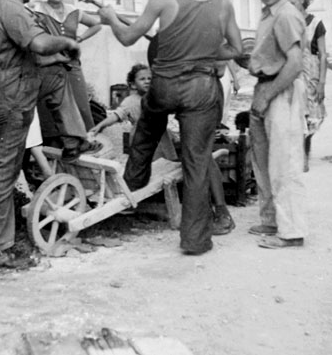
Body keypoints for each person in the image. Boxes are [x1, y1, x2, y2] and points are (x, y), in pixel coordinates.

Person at [97, 0, 242, 254]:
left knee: (146, 130)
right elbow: (236, 48)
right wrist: (208, 52)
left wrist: (109, 18)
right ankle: (195, 241)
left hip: (164, 85)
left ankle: (131, 190)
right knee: (196, 162)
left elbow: (127, 37)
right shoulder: (223, 3)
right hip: (202, 89)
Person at [0, 0, 79, 268]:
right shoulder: (9, 5)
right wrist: (67, 46)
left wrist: (49, 59)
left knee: (4, 169)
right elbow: (40, 44)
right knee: (2, 172)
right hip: (9, 99)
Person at [91, 63, 235, 235]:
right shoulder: (135, 101)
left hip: (174, 131)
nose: (147, 82)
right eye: (142, 79)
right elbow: (117, 115)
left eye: (149, 79)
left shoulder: (171, 88)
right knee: (195, 161)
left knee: (200, 160)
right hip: (153, 147)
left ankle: (217, 212)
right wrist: (98, 126)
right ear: (132, 84)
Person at [248, 0, 308, 249]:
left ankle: (292, 232)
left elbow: (295, 64)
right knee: (262, 162)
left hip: (279, 92)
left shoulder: (286, 14)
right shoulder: (267, 15)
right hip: (265, 88)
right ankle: (271, 221)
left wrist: (267, 94)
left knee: (284, 163)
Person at [34, 0, 102, 130]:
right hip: (48, 66)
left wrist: (81, 38)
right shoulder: (37, 9)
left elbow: (96, 25)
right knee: (49, 108)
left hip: (72, 65)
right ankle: (54, 148)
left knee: (81, 105)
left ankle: (85, 142)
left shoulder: (73, 11)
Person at [287, 0, 327, 172]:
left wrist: (321, 83)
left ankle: (305, 155)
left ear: (302, 1)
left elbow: (323, 56)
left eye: (293, 2)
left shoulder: (316, 23)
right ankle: (294, 156)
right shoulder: (287, 22)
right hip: (292, 72)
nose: (291, 6)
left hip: (311, 73)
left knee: (311, 117)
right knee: (293, 114)